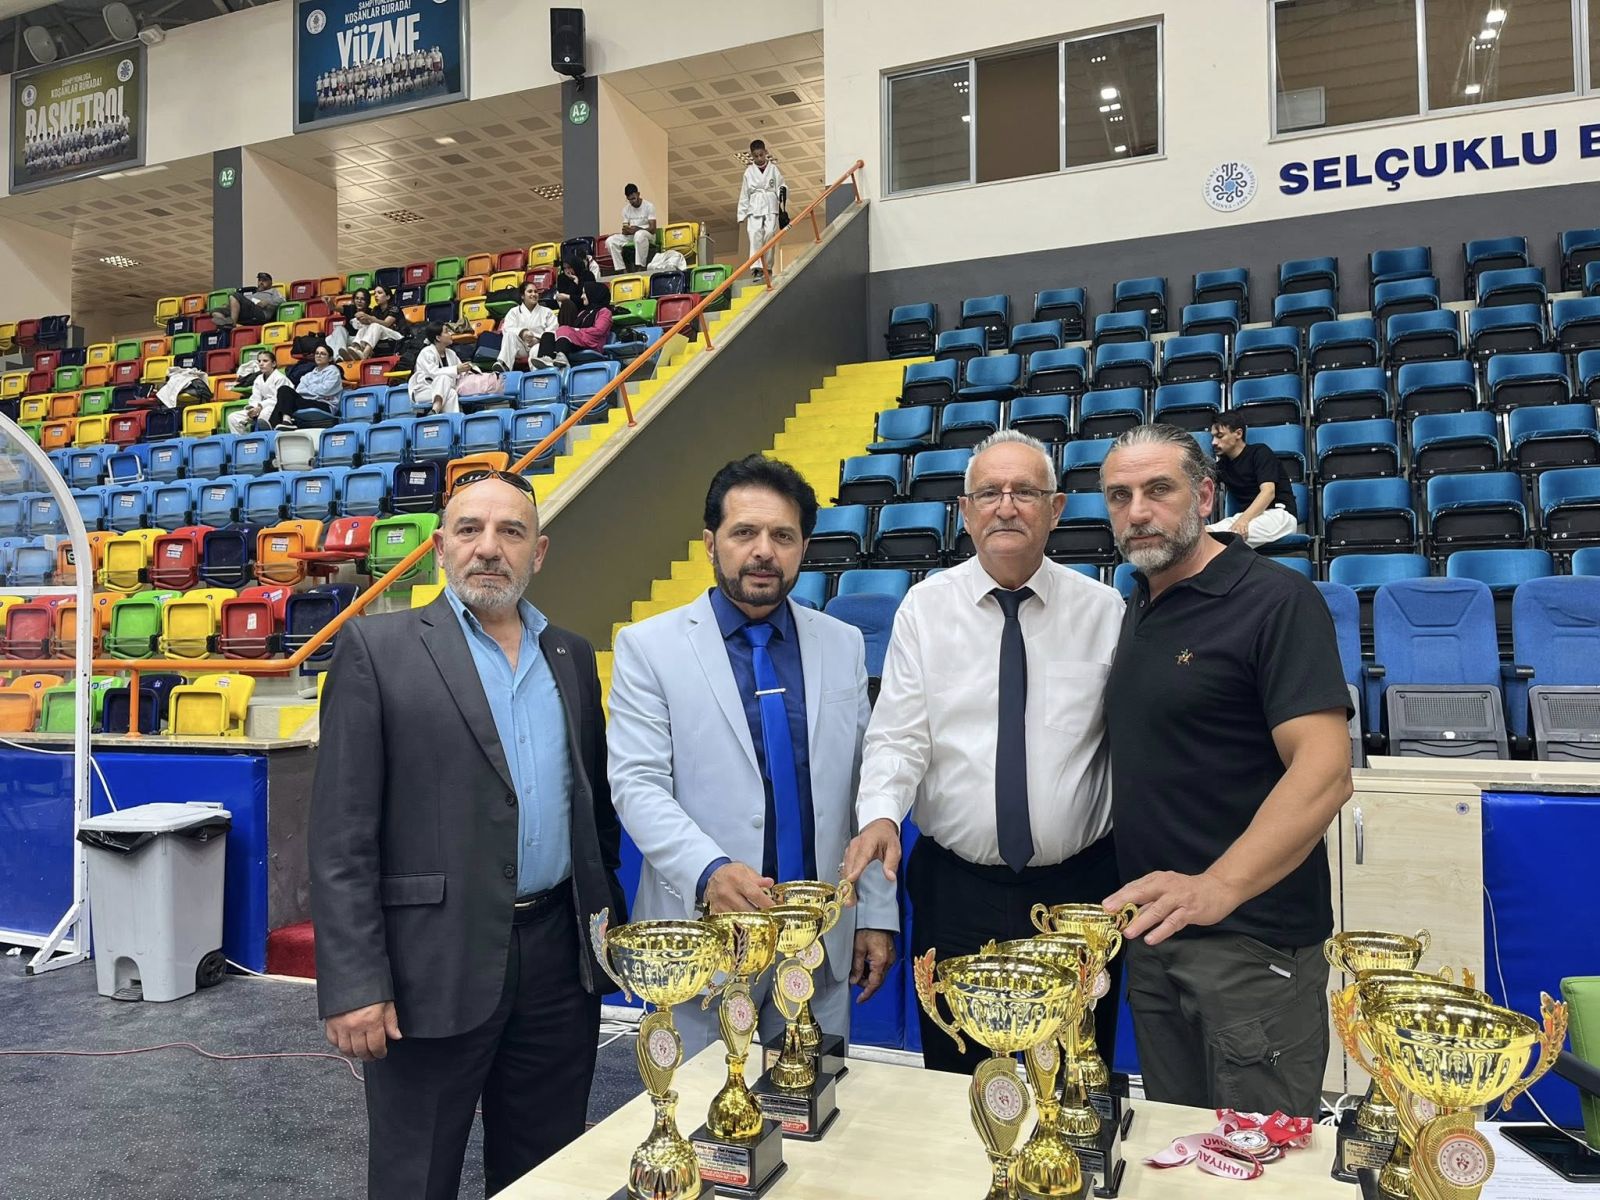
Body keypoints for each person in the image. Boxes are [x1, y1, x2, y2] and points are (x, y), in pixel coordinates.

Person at [311, 469, 627, 1199]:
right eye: (470, 529)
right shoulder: (376, 649)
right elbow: (341, 835)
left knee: (547, 1173)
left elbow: (594, 809)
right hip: (429, 965)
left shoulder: (571, 656)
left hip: (559, 963)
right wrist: (355, 982)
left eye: (511, 531)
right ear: (439, 548)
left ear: (538, 552)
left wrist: (601, 927)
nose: (489, 547)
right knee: (416, 1176)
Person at [842, 430, 1126, 1073]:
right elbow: (898, 734)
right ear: (965, 512)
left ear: (1055, 509)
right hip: (957, 892)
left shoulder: (1104, 610)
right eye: (989, 493)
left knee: (1075, 1083)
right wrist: (881, 813)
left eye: (1025, 491)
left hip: (1079, 895)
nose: (1006, 506)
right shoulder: (924, 610)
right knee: (959, 1082)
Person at [1096, 423, 1353, 1117]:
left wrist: (1220, 885)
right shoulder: (1138, 604)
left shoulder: (1276, 600)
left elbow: (1327, 771)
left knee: (1260, 1159)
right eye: (1119, 496)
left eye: (1159, 490)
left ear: (1206, 496)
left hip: (1251, 945)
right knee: (1177, 1150)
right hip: (1157, 937)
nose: (1138, 512)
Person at [608, 455, 898, 1055]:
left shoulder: (843, 644)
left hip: (818, 944)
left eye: (782, 536)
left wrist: (874, 912)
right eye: (745, 532)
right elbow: (637, 785)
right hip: (703, 941)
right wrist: (708, 872)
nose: (764, 551)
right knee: (699, 1109)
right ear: (711, 543)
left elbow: (864, 791)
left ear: (804, 548)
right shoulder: (649, 647)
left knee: (816, 1105)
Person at [1206, 413, 1300, 548]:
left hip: (1279, 514)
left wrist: (1243, 521)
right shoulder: (1222, 466)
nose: (1214, 442)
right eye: (1213, 437)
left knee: (1228, 537)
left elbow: (1268, 492)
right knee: (1205, 534)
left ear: (1238, 434)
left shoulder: (1260, 452)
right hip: (1248, 517)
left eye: (1220, 436)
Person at [535, 280, 612, 368]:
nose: (582, 296)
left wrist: (578, 331)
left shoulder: (605, 312)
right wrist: (575, 331)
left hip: (593, 343)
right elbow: (573, 330)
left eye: (584, 293)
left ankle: (562, 357)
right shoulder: (583, 312)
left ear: (593, 294)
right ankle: (546, 358)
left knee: (565, 330)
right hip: (579, 341)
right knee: (548, 334)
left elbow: (599, 331)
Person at [737, 140, 786, 278]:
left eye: (761, 155)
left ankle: (767, 266)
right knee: (755, 235)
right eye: (756, 156)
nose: (759, 158)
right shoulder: (748, 172)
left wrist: (782, 192)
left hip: (770, 204)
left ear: (765, 152)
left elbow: (781, 185)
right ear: (752, 156)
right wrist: (741, 213)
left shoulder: (773, 169)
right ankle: (757, 267)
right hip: (755, 205)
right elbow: (744, 193)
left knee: (770, 233)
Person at [274, 342, 344, 429]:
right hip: (308, 401)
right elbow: (299, 390)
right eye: (317, 353)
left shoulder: (334, 372)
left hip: (325, 405)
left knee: (288, 401)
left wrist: (308, 388)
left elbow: (325, 390)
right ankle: (285, 421)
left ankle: (274, 424)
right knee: (284, 389)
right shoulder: (309, 374)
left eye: (323, 354)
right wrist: (315, 392)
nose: (319, 355)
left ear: (330, 359)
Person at [407, 322, 470, 415]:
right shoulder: (426, 353)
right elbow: (434, 373)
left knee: (452, 393)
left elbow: (461, 372)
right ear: (438, 338)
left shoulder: (451, 353)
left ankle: (439, 414)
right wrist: (456, 369)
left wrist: (467, 369)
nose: (450, 334)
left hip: (445, 390)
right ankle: (438, 406)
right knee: (444, 377)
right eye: (446, 332)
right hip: (424, 391)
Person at [495, 281, 559, 372]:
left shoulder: (547, 312)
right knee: (509, 335)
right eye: (530, 291)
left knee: (535, 350)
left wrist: (538, 340)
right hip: (520, 347)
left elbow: (553, 330)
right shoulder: (513, 312)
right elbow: (507, 328)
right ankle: (504, 365)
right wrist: (523, 333)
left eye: (536, 292)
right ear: (522, 296)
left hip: (539, 345)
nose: (534, 294)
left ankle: (537, 375)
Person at [227, 349, 289, 434]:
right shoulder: (258, 379)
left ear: (274, 364)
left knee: (264, 413)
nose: (261, 364)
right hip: (259, 409)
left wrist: (260, 407)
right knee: (233, 417)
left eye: (265, 361)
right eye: (259, 361)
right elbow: (255, 398)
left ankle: (266, 438)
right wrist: (252, 409)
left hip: (275, 409)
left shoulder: (280, 378)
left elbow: (279, 400)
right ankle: (242, 440)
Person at [340, 283, 407, 361]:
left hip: (397, 336)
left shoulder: (394, 308)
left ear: (388, 297)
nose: (376, 295)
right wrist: (361, 319)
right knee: (365, 326)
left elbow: (386, 324)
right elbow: (369, 323)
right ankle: (356, 349)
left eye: (379, 293)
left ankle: (364, 354)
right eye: (375, 293)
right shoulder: (375, 309)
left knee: (375, 325)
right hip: (383, 335)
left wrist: (369, 317)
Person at [604, 184, 657, 273]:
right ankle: (621, 269)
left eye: (633, 198)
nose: (632, 202)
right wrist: (626, 231)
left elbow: (653, 229)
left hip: (647, 235)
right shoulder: (626, 209)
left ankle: (640, 266)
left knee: (639, 235)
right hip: (632, 235)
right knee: (610, 241)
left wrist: (638, 229)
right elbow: (625, 228)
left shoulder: (649, 206)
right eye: (629, 200)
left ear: (638, 194)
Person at [214, 272, 284, 328]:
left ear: (270, 283)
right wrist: (228, 305)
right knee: (216, 311)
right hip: (247, 312)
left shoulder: (273, 291)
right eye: (259, 280)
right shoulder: (254, 293)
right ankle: (226, 324)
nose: (261, 282)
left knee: (235, 295)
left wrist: (268, 303)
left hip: (260, 314)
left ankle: (233, 324)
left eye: (264, 280)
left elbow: (282, 301)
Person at [325, 287, 371, 358]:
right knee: (339, 329)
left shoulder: (371, 312)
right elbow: (334, 307)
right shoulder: (350, 308)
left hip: (360, 341)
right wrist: (329, 302)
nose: (359, 301)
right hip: (347, 339)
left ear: (367, 301)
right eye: (357, 298)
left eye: (362, 299)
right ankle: (339, 357)